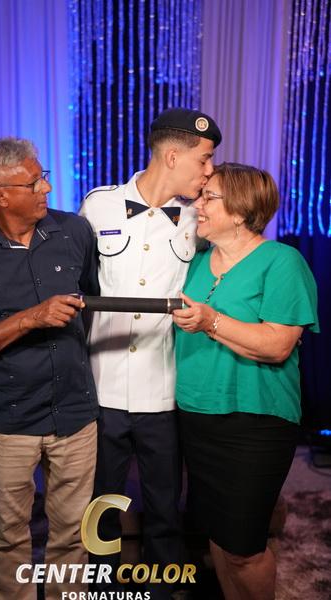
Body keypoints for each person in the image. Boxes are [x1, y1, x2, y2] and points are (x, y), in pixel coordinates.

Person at [0, 137, 99, 600]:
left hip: (75, 415)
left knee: (73, 534)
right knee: (10, 536)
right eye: (34, 182)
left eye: (43, 176)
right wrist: (31, 317)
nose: (47, 187)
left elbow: (92, 303)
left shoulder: (74, 233)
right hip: (9, 420)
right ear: (0, 195)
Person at [79, 108, 222, 598]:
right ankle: (101, 590)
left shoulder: (200, 217)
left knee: (164, 505)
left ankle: (163, 590)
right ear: (173, 156)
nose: (209, 170)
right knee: (100, 503)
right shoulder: (98, 205)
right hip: (102, 385)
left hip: (163, 388)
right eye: (204, 159)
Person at [172, 162, 319, 600]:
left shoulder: (282, 261)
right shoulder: (197, 260)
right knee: (218, 535)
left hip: (256, 420)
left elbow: (277, 345)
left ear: (240, 211)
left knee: (244, 547)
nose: (197, 205)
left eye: (209, 198)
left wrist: (211, 321)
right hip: (197, 415)